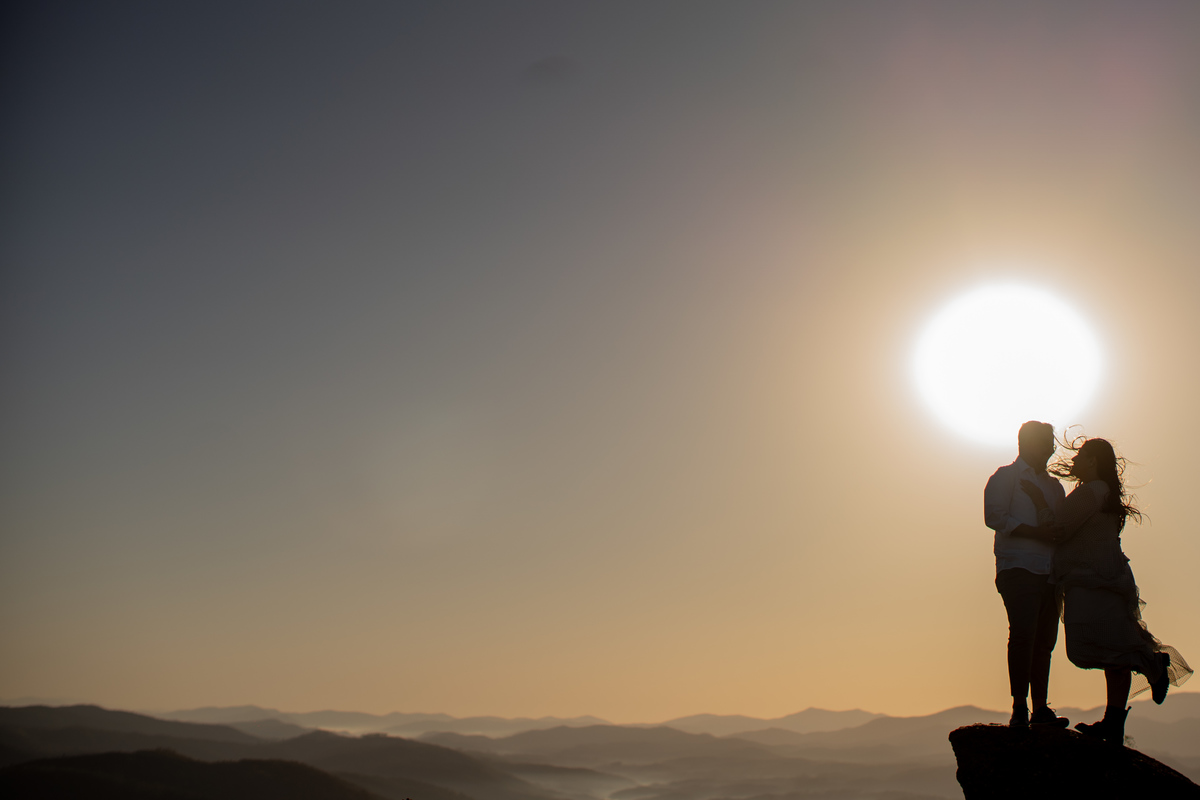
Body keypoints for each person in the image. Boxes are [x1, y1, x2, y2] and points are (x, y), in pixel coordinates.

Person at [1021, 437, 1192, 744]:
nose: (1073, 461)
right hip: (1107, 578)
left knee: (1087, 648)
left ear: (1093, 461)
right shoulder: (1104, 492)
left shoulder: (1091, 492)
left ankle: (1145, 666)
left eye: (1080, 456)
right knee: (1114, 647)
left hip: (1092, 581)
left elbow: (1058, 530)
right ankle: (1115, 720)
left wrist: (1037, 502)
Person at [983, 421, 1069, 728]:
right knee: (1023, 635)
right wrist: (1038, 534)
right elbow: (993, 516)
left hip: (1049, 573)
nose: (1051, 449)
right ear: (1026, 443)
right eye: (1046, 442)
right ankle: (1020, 707)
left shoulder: (1053, 487)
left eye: (1051, 443)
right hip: (1018, 567)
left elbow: (1058, 528)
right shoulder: (1005, 477)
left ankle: (1039, 709)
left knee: (1044, 642)